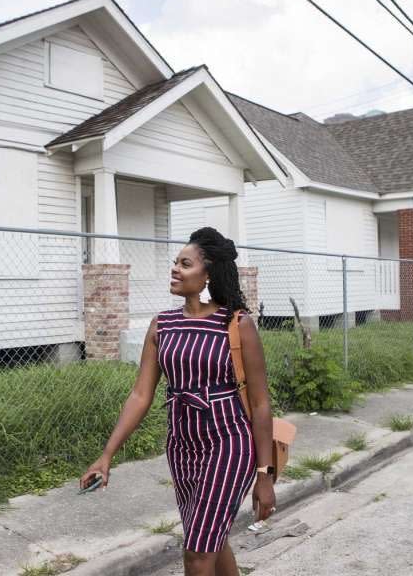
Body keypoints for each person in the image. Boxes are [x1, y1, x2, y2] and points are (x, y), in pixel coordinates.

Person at [81, 226, 276, 576]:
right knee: (211, 539)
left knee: (197, 554)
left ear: (207, 273)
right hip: (182, 446)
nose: (175, 269)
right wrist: (106, 455)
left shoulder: (236, 324)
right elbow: (140, 395)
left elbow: (261, 403)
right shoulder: (162, 325)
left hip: (228, 442)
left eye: (185, 264)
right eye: (175, 263)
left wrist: (265, 475)